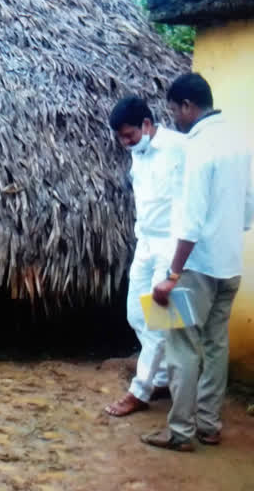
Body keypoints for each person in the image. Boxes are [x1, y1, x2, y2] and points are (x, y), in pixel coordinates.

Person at [143, 73, 254, 451]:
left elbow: (190, 221)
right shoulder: (239, 140)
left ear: (188, 106)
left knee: (182, 348)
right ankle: (208, 424)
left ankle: (180, 432)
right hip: (230, 266)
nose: (174, 117)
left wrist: (172, 274)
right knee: (215, 346)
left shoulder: (197, 147)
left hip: (195, 267)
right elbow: (249, 207)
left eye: (175, 110)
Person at [104, 96, 186, 417]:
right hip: (146, 243)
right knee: (135, 315)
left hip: (172, 245)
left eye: (130, 135)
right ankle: (162, 377)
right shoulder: (138, 154)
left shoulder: (181, 148)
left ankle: (140, 391)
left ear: (148, 125)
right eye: (121, 138)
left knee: (160, 321)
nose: (125, 143)